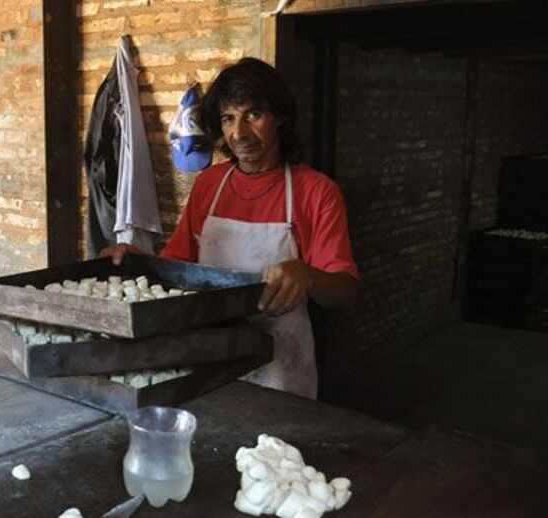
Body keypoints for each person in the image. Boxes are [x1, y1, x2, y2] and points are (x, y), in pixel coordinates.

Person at [104, 58, 359, 398]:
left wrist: (308, 276)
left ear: (280, 118)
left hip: (280, 367)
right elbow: (177, 267)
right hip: (210, 357)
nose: (239, 133)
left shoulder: (316, 191)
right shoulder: (209, 184)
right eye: (228, 118)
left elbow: (345, 292)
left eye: (253, 115)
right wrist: (138, 261)